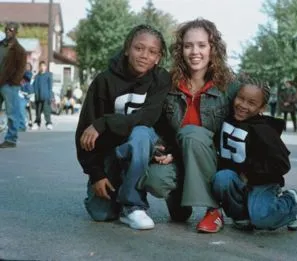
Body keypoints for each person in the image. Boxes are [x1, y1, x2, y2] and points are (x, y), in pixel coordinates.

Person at [138, 18, 236, 233]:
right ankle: (182, 197)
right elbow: (159, 126)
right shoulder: (168, 84)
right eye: (188, 45)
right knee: (155, 178)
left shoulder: (229, 86)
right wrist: (165, 150)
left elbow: (243, 131)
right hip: (180, 157)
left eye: (202, 45)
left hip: (215, 161)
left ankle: (213, 210)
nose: (194, 51)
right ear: (180, 49)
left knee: (192, 134)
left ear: (213, 48)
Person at [75, 25, 171, 230]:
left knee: (140, 133)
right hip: (111, 151)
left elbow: (148, 116)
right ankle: (119, 183)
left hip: (141, 146)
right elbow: (85, 131)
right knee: (101, 213)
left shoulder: (161, 79)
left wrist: (104, 123)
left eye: (152, 51)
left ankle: (133, 205)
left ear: (158, 57)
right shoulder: (104, 80)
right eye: (139, 48)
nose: (144, 55)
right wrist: (96, 174)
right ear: (127, 48)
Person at [211, 79, 297, 231]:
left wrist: (250, 172)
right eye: (240, 98)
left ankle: (290, 203)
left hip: (263, 182)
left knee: (262, 219)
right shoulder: (227, 119)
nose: (243, 105)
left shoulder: (264, 131)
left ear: (262, 107)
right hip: (238, 180)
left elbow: (282, 164)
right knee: (221, 179)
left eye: (251, 103)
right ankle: (242, 215)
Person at [0, 22, 27, 148]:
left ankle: (11, 139)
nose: (8, 32)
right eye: (6, 29)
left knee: (12, 113)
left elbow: (21, 69)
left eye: (11, 30)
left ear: (16, 32)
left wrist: (14, 82)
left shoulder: (19, 50)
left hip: (9, 85)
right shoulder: (1, 45)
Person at [31, 61, 53, 130]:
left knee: (47, 111)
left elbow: (50, 87)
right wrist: (34, 95)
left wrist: (50, 96)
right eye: (41, 66)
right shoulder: (37, 76)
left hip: (46, 97)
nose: (42, 67)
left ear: (46, 67)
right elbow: (34, 86)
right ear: (39, 67)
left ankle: (49, 123)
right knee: (38, 111)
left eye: (43, 66)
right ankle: (37, 123)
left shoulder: (48, 75)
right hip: (38, 97)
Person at [18, 63, 34, 131]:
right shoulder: (21, 75)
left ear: (30, 68)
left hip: (25, 94)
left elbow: (27, 76)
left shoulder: (28, 74)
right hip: (19, 92)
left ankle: (22, 125)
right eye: (25, 66)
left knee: (22, 107)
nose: (26, 67)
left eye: (28, 66)